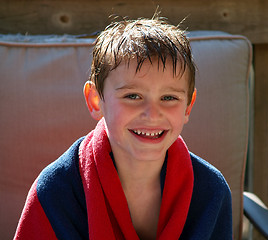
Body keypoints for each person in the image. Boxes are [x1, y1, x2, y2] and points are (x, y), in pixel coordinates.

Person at [14, 16, 232, 240]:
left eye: (168, 97)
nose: (152, 113)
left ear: (188, 106)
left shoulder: (210, 192)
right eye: (133, 96)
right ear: (96, 101)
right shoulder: (57, 189)